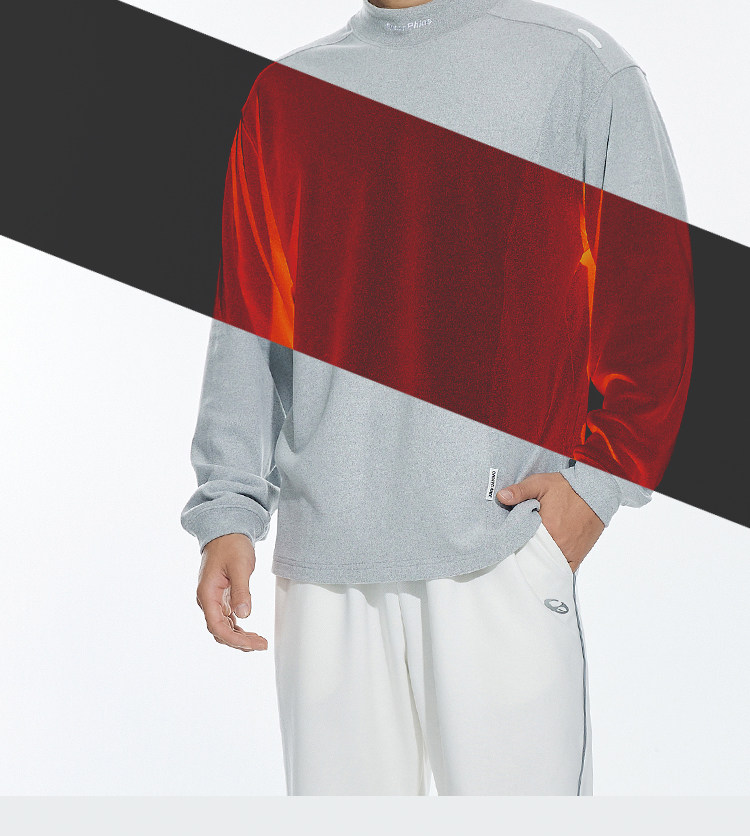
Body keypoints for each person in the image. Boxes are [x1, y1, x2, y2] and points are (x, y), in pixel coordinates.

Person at [181, 0, 694, 795]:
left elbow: (653, 302)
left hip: (499, 553)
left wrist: (595, 489)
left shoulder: (575, 65)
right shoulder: (289, 93)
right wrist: (229, 509)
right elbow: (248, 321)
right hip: (325, 570)